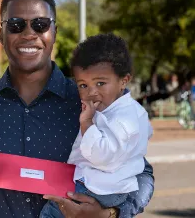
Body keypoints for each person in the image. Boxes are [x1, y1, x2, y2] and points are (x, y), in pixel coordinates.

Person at [0, 0, 154, 218]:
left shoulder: (91, 101)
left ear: (54, 32)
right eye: (16, 25)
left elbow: (142, 175)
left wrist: (109, 213)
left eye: (40, 25)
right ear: (1, 34)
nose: (29, 34)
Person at [40, 34, 153, 218]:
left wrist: (86, 123)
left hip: (98, 188)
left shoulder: (122, 118)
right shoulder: (129, 111)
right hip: (108, 186)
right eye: (83, 85)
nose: (91, 92)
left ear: (124, 81)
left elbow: (102, 155)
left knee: (52, 212)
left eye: (101, 83)